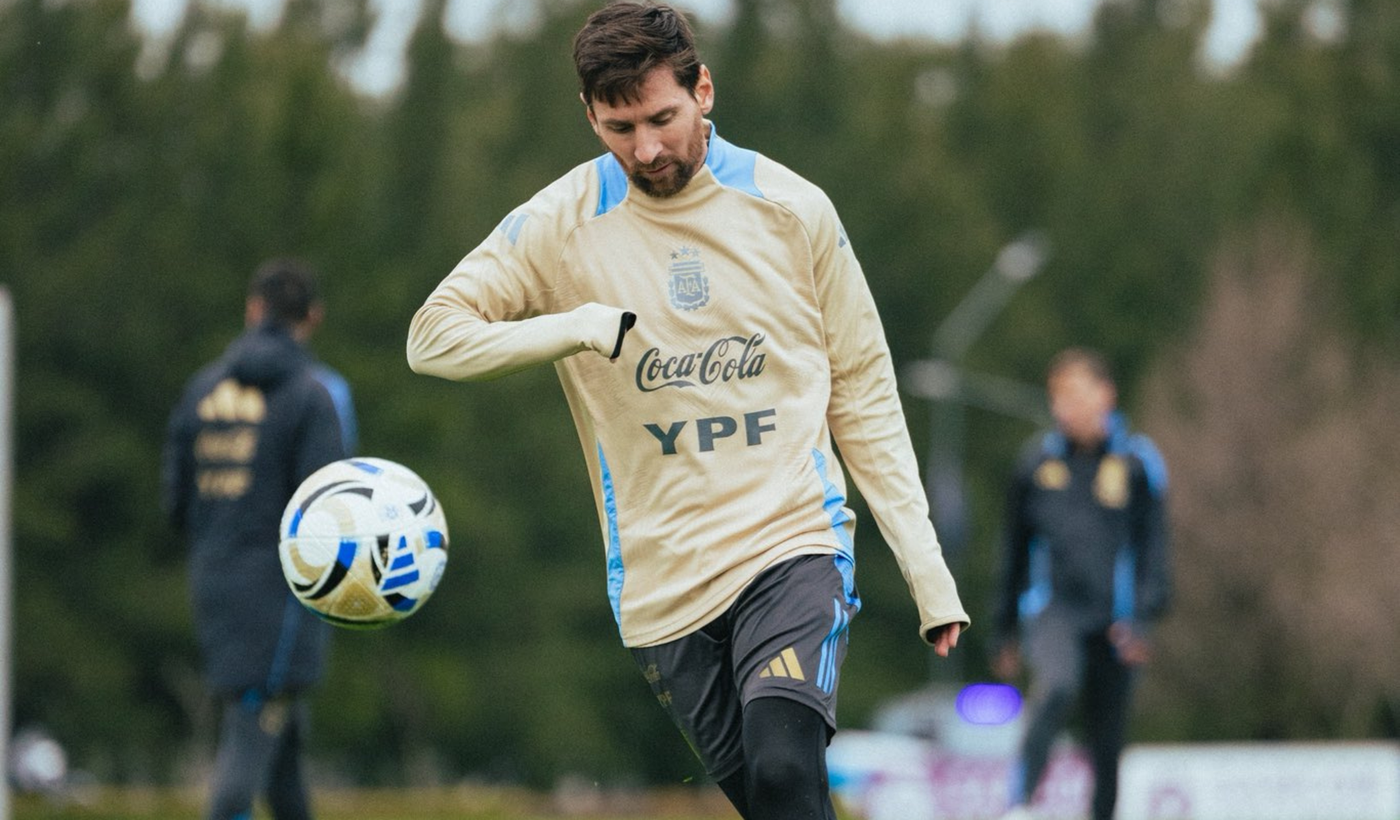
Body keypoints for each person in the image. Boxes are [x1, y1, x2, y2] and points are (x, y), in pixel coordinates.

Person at [406, 2, 967, 816]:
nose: (647, 148)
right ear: (589, 115)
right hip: (661, 580)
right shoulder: (560, 223)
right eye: (618, 126)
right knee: (776, 799)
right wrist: (574, 328)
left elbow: (864, 390)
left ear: (704, 89)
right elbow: (432, 337)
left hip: (791, 541)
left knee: (783, 767)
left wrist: (926, 570)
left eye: (663, 118)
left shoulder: (793, 209)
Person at [163, 258, 356, 820]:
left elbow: (174, 501)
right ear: (313, 317)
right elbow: (330, 508)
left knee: (284, 765)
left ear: (253, 310)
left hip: (213, 584)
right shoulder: (314, 393)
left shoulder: (200, 389)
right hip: (280, 598)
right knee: (245, 755)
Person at [991, 347, 1170, 820]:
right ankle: (1021, 804)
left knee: (1107, 741)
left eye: (1074, 393)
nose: (1063, 406)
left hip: (1117, 621)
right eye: (1056, 396)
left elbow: (1154, 547)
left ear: (1105, 395)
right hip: (1054, 611)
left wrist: (1145, 620)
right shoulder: (1035, 465)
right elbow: (1012, 552)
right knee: (1056, 686)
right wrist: (1004, 629)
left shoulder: (1137, 462)